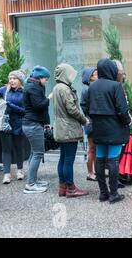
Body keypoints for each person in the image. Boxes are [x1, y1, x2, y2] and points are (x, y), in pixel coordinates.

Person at [83, 58, 131, 204]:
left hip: (98, 128)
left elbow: (85, 106)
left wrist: (94, 117)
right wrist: (127, 122)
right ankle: (114, 194)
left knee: (100, 158)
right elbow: (122, 110)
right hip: (114, 128)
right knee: (113, 160)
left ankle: (103, 193)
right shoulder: (116, 86)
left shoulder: (92, 87)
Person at [53, 63, 89, 198]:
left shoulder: (57, 87)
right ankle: (71, 189)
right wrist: (84, 120)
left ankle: (62, 187)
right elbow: (72, 109)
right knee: (68, 160)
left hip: (61, 127)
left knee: (62, 158)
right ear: (65, 74)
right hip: (69, 128)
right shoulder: (65, 89)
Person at [0, 70, 26, 184]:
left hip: (19, 124)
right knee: (6, 149)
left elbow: (25, 111)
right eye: (10, 78)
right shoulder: (4, 90)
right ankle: (6, 174)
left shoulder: (24, 92)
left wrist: (10, 105)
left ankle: (20, 170)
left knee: (19, 148)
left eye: (14, 78)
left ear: (20, 81)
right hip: (4, 123)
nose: (12, 81)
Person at [22, 66, 51, 194]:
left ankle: (33, 179)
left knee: (34, 153)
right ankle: (30, 184)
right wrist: (49, 98)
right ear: (40, 78)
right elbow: (39, 106)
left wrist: (46, 123)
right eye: (46, 78)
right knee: (38, 153)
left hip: (32, 124)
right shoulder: (33, 87)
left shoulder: (34, 85)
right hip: (32, 125)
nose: (46, 81)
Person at [80, 67, 98, 181]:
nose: (98, 76)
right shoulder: (88, 89)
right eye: (96, 74)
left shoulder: (89, 88)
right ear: (90, 77)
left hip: (91, 121)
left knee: (94, 148)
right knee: (91, 148)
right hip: (91, 121)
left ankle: (95, 171)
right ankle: (90, 173)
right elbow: (85, 107)